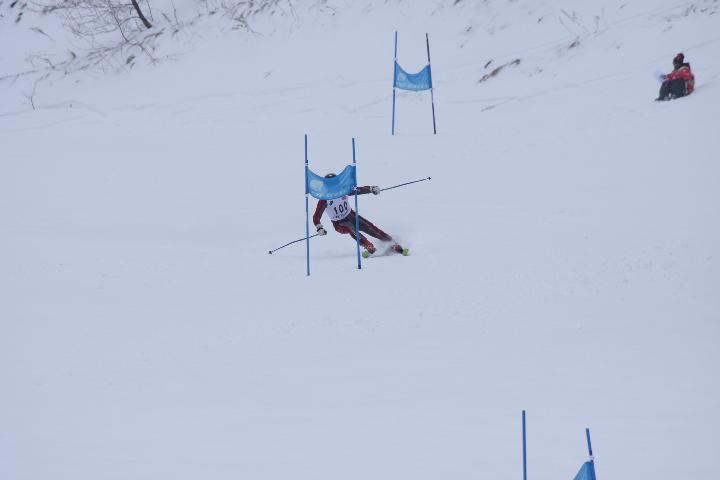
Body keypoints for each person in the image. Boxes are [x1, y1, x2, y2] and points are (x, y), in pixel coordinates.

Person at [313, 173, 408, 257]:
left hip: (351, 215)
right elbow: (316, 216)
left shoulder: (343, 190)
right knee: (351, 230)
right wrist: (319, 227)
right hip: (339, 223)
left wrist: (371, 189)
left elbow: (358, 190)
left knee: (369, 227)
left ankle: (392, 243)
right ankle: (367, 245)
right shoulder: (324, 199)